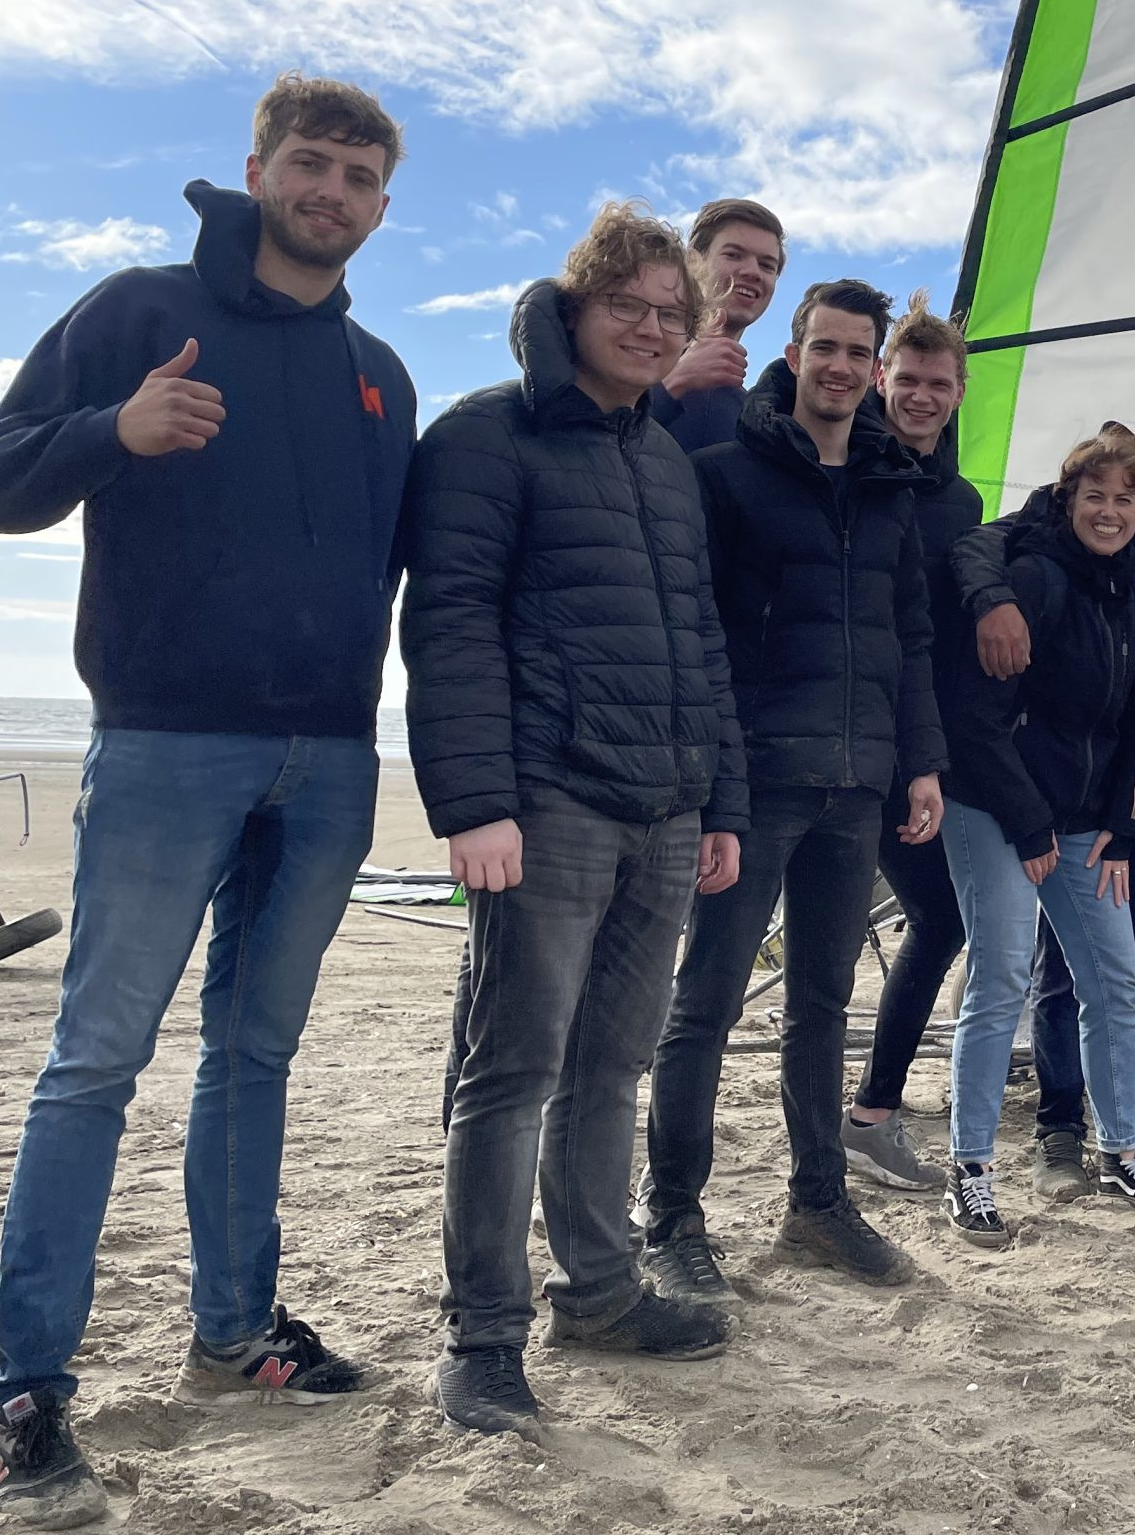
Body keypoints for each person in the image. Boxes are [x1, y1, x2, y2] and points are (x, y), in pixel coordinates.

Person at [0, 77, 414, 1526]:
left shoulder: (382, 373)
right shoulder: (141, 313)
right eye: (310, 164)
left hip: (331, 760)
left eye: (357, 176)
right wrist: (116, 432)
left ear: (382, 208)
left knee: (255, 1056)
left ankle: (235, 1334)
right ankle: (28, 1391)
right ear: (258, 169)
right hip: (163, 743)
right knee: (95, 1062)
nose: (330, 191)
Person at [401, 203, 749, 1437]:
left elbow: (699, 641)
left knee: (613, 1067)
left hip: (663, 807)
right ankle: (481, 1336)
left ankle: (598, 1291)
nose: (653, 330)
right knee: (508, 1074)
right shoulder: (485, 439)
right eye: (631, 307)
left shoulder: (662, 456)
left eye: (673, 314)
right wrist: (476, 804)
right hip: (542, 807)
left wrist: (718, 800)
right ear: (576, 305)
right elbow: (446, 625)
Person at [641, 280, 946, 1294]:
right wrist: (718, 789)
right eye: (826, 349)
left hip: (856, 789)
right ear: (796, 352)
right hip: (757, 786)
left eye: (860, 354)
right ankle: (673, 1219)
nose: (843, 369)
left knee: (821, 1002)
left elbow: (910, 640)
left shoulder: (890, 488)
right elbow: (705, 642)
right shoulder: (731, 476)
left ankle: (818, 1203)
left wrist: (921, 762)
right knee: (706, 1003)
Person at [949, 380, 1135, 1200]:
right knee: (1000, 975)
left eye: (1124, 501)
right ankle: (971, 1167)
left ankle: (1120, 1146)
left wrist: (1124, 823)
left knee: (1116, 977)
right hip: (996, 806)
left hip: (1079, 819)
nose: (1110, 512)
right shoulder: (1035, 577)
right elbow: (974, 718)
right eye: (1095, 497)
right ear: (1069, 500)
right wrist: (1032, 828)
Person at [839, 291, 983, 1194]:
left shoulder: (961, 499)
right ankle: (865, 1116)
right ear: (881, 377)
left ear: (959, 393)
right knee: (915, 922)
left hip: (914, 747)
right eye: (909, 379)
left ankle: (869, 1115)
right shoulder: (848, 462)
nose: (922, 395)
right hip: (841, 734)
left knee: (938, 919)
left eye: (939, 383)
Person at [647, 198, 786, 452]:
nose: (753, 272)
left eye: (767, 265)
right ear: (692, 262)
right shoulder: (634, 354)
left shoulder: (749, 415)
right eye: (734, 255)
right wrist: (678, 380)